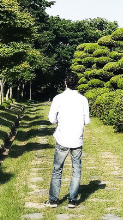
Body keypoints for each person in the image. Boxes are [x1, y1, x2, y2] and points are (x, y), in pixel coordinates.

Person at [44, 72, 91, 209]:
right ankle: (72, 200)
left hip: (62, 138)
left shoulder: (58, 98)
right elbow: (86, 121)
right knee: (76, 169)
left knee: (57, 169)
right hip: (77, 139)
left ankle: (53, 200)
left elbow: (52, 119)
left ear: (65, 83)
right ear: (77, 84)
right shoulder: (83, 99)